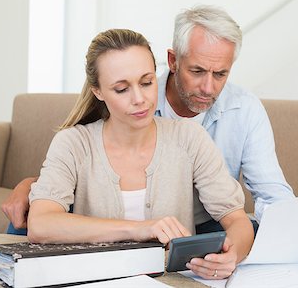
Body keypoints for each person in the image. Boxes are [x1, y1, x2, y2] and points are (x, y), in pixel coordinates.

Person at [3, 5, 298, 266]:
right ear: (173, 61)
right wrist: (33, 187)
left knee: (251, 231)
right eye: (197, 71)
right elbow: (56, 204)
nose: (209, 87)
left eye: (221, 73)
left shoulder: (208, 127)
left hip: (194, 233)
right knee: (27, 222)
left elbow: (263, 200)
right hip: (109, 241)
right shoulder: (79, 140)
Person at [26, 28, 253, 280]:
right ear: (98, 91)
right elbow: (41, 224)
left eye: (147, 83)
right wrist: (139, 229)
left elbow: (237, 221)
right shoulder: (73, 143)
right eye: (122, 89)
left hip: (172, 281)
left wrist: (232, 255)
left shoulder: (189, 138)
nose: (140, 99)